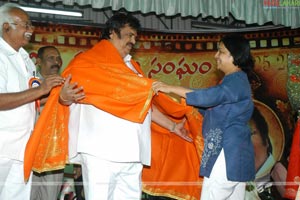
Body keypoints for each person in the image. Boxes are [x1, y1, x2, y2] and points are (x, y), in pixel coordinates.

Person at [24, 13, 193, 200]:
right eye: (129, 35)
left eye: (135, 37)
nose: (133, 40)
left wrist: (172, 126)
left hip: (133, 152)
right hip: (100, 152)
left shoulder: (133, 68)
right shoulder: (86, 62)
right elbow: (63, 98)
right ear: (113, 32)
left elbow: (144, 106)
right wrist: (64, 97)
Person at [152, 34, 256, 200]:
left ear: (234, 56)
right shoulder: (236, 81)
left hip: (226, 154)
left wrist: (169, 87)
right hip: (235, 154)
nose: (216, 56)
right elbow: (209, 108)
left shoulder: (235, 81)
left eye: (220, 52)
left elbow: (208, 97)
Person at [0, 3, 64, 200]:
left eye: (30, 25)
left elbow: (31, 100)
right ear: (6, 27)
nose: (30, 30)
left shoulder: (25, 59)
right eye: (24, 25)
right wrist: (42, 89)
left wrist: (59, 96)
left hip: (23, 149)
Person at [30, 46, 65, 200]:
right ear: (38, 61)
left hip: (54, 153)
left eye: (58, 59)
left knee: (49, 197)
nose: (56, 62)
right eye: (51, 58)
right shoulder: (29, 82)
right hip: (29, 150)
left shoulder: (65, 86)